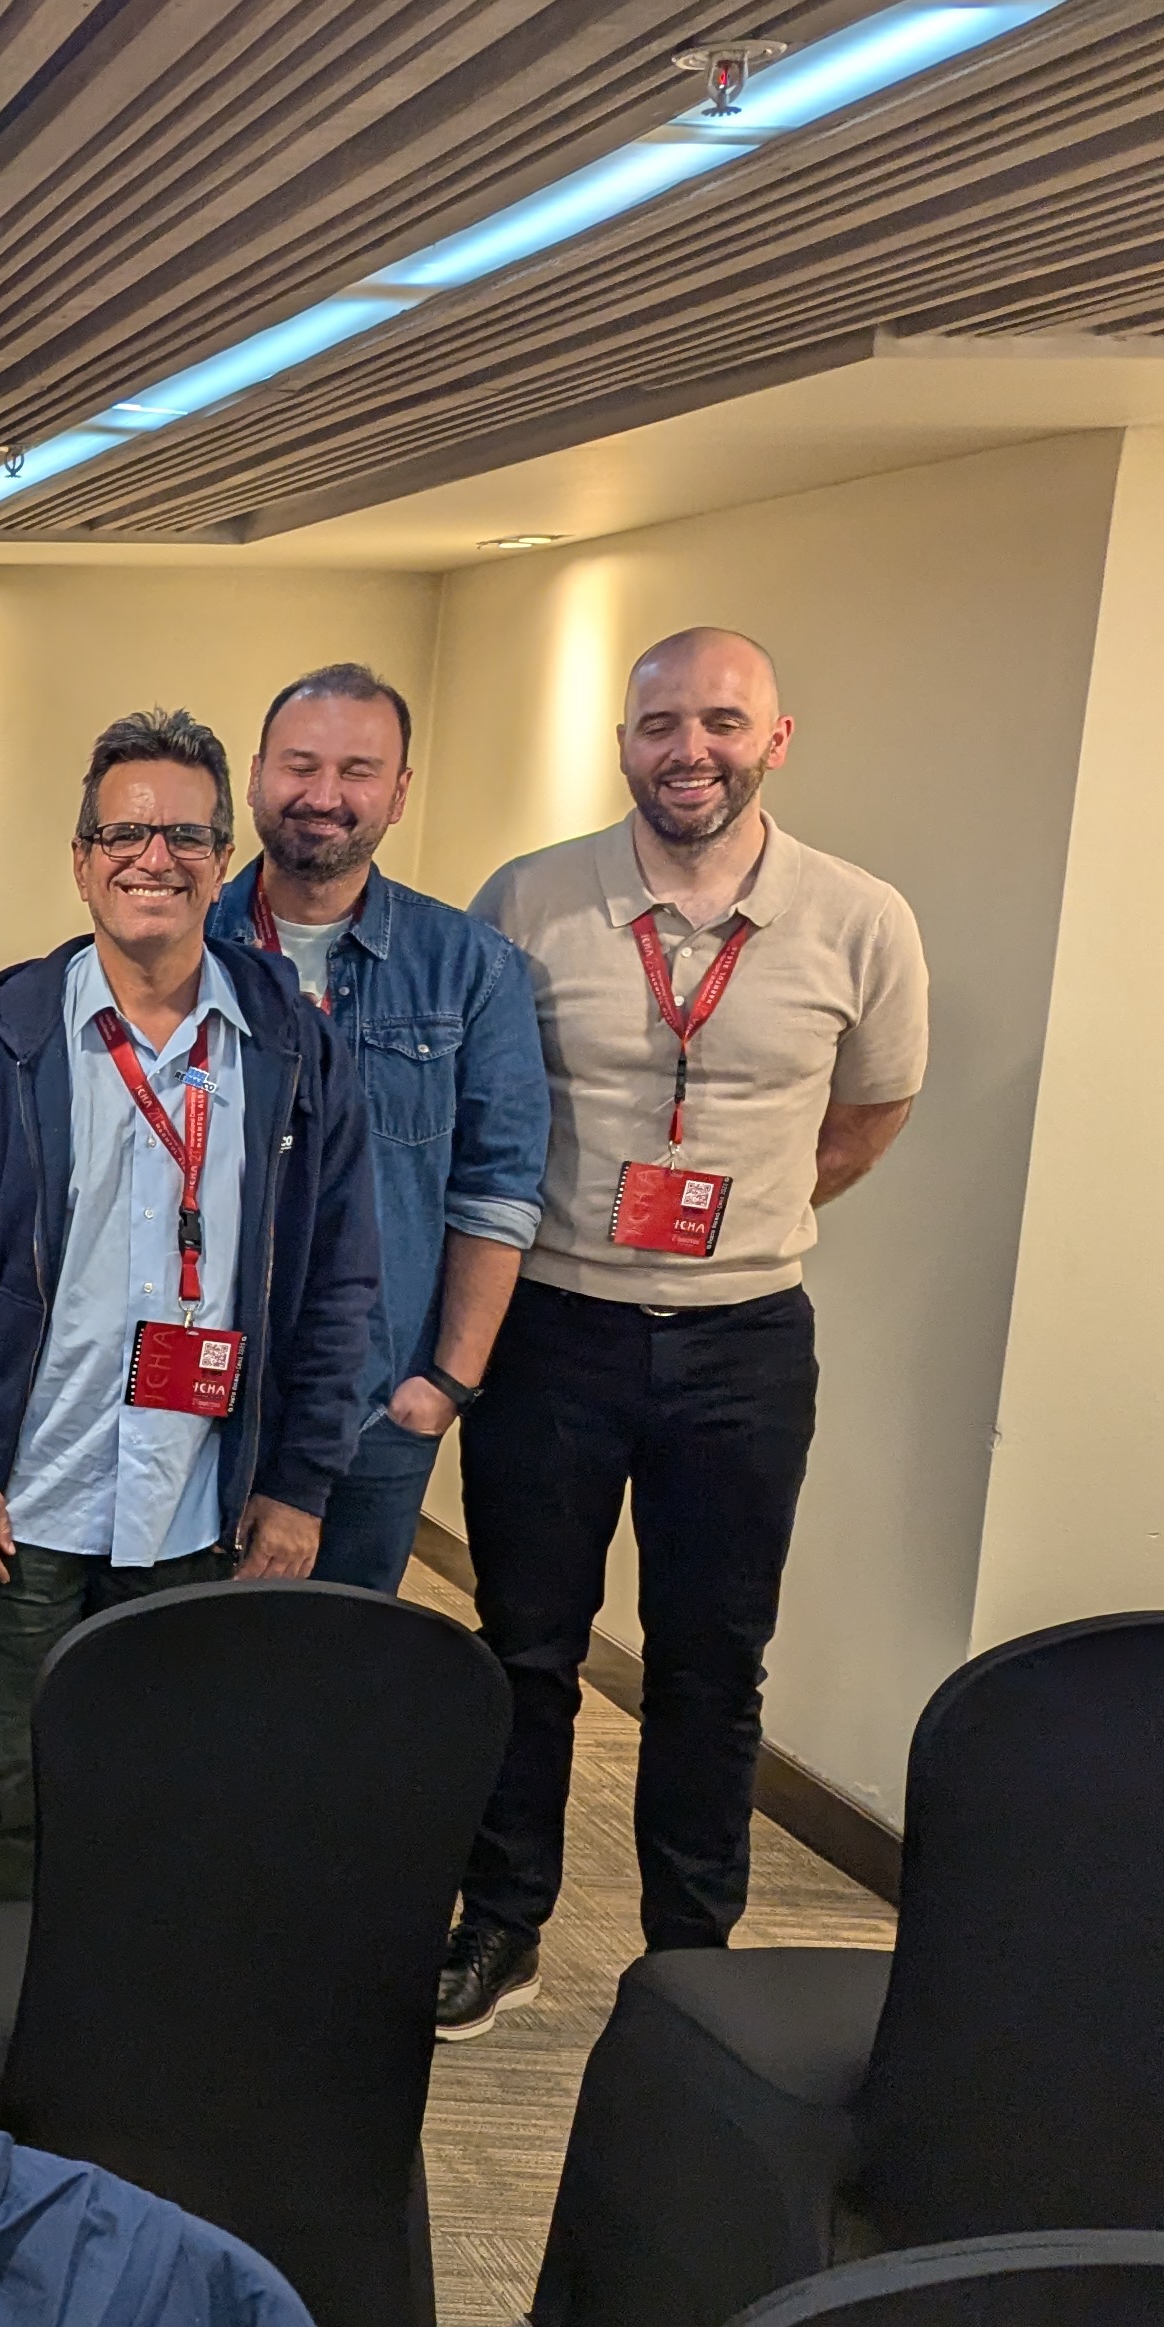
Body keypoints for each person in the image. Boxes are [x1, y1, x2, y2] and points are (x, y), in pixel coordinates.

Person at [440, 627, 925, 2036]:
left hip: (742, 1345)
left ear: (778, 739)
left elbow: (868, 1116)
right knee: (524, 1644)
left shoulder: (858, 918)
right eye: (660, 725)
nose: (688, 750)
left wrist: (751, 1214)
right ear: (624, 744)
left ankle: (690, 1957)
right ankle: (505, 1921)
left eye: (722, 723)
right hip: (556, 1329)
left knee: (713, 1663)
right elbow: (490, 1104)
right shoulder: (531, 899)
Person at [0, 709, 380, 1914]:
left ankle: (108, 2050)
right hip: (25, 1495)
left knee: (154, 1787)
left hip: (196, 1496)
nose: (151, 858)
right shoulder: (3, 1039)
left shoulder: (289, 1048)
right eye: (123, 832)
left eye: (183, 834)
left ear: (224, 861)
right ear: (80, 860)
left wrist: (302, 1484)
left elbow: (338, 1283)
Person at [208, 665, 548, 1597]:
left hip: (375, 1408)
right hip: (193, 1394)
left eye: (358, 771)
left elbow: (499, 1192)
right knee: (178, 1675)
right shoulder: (180, 942)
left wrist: (441, 1388)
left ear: (399, 793)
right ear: (255, 777)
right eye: (299, 765)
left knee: (336, 1680)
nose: (323, 797)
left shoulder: (469, 968)